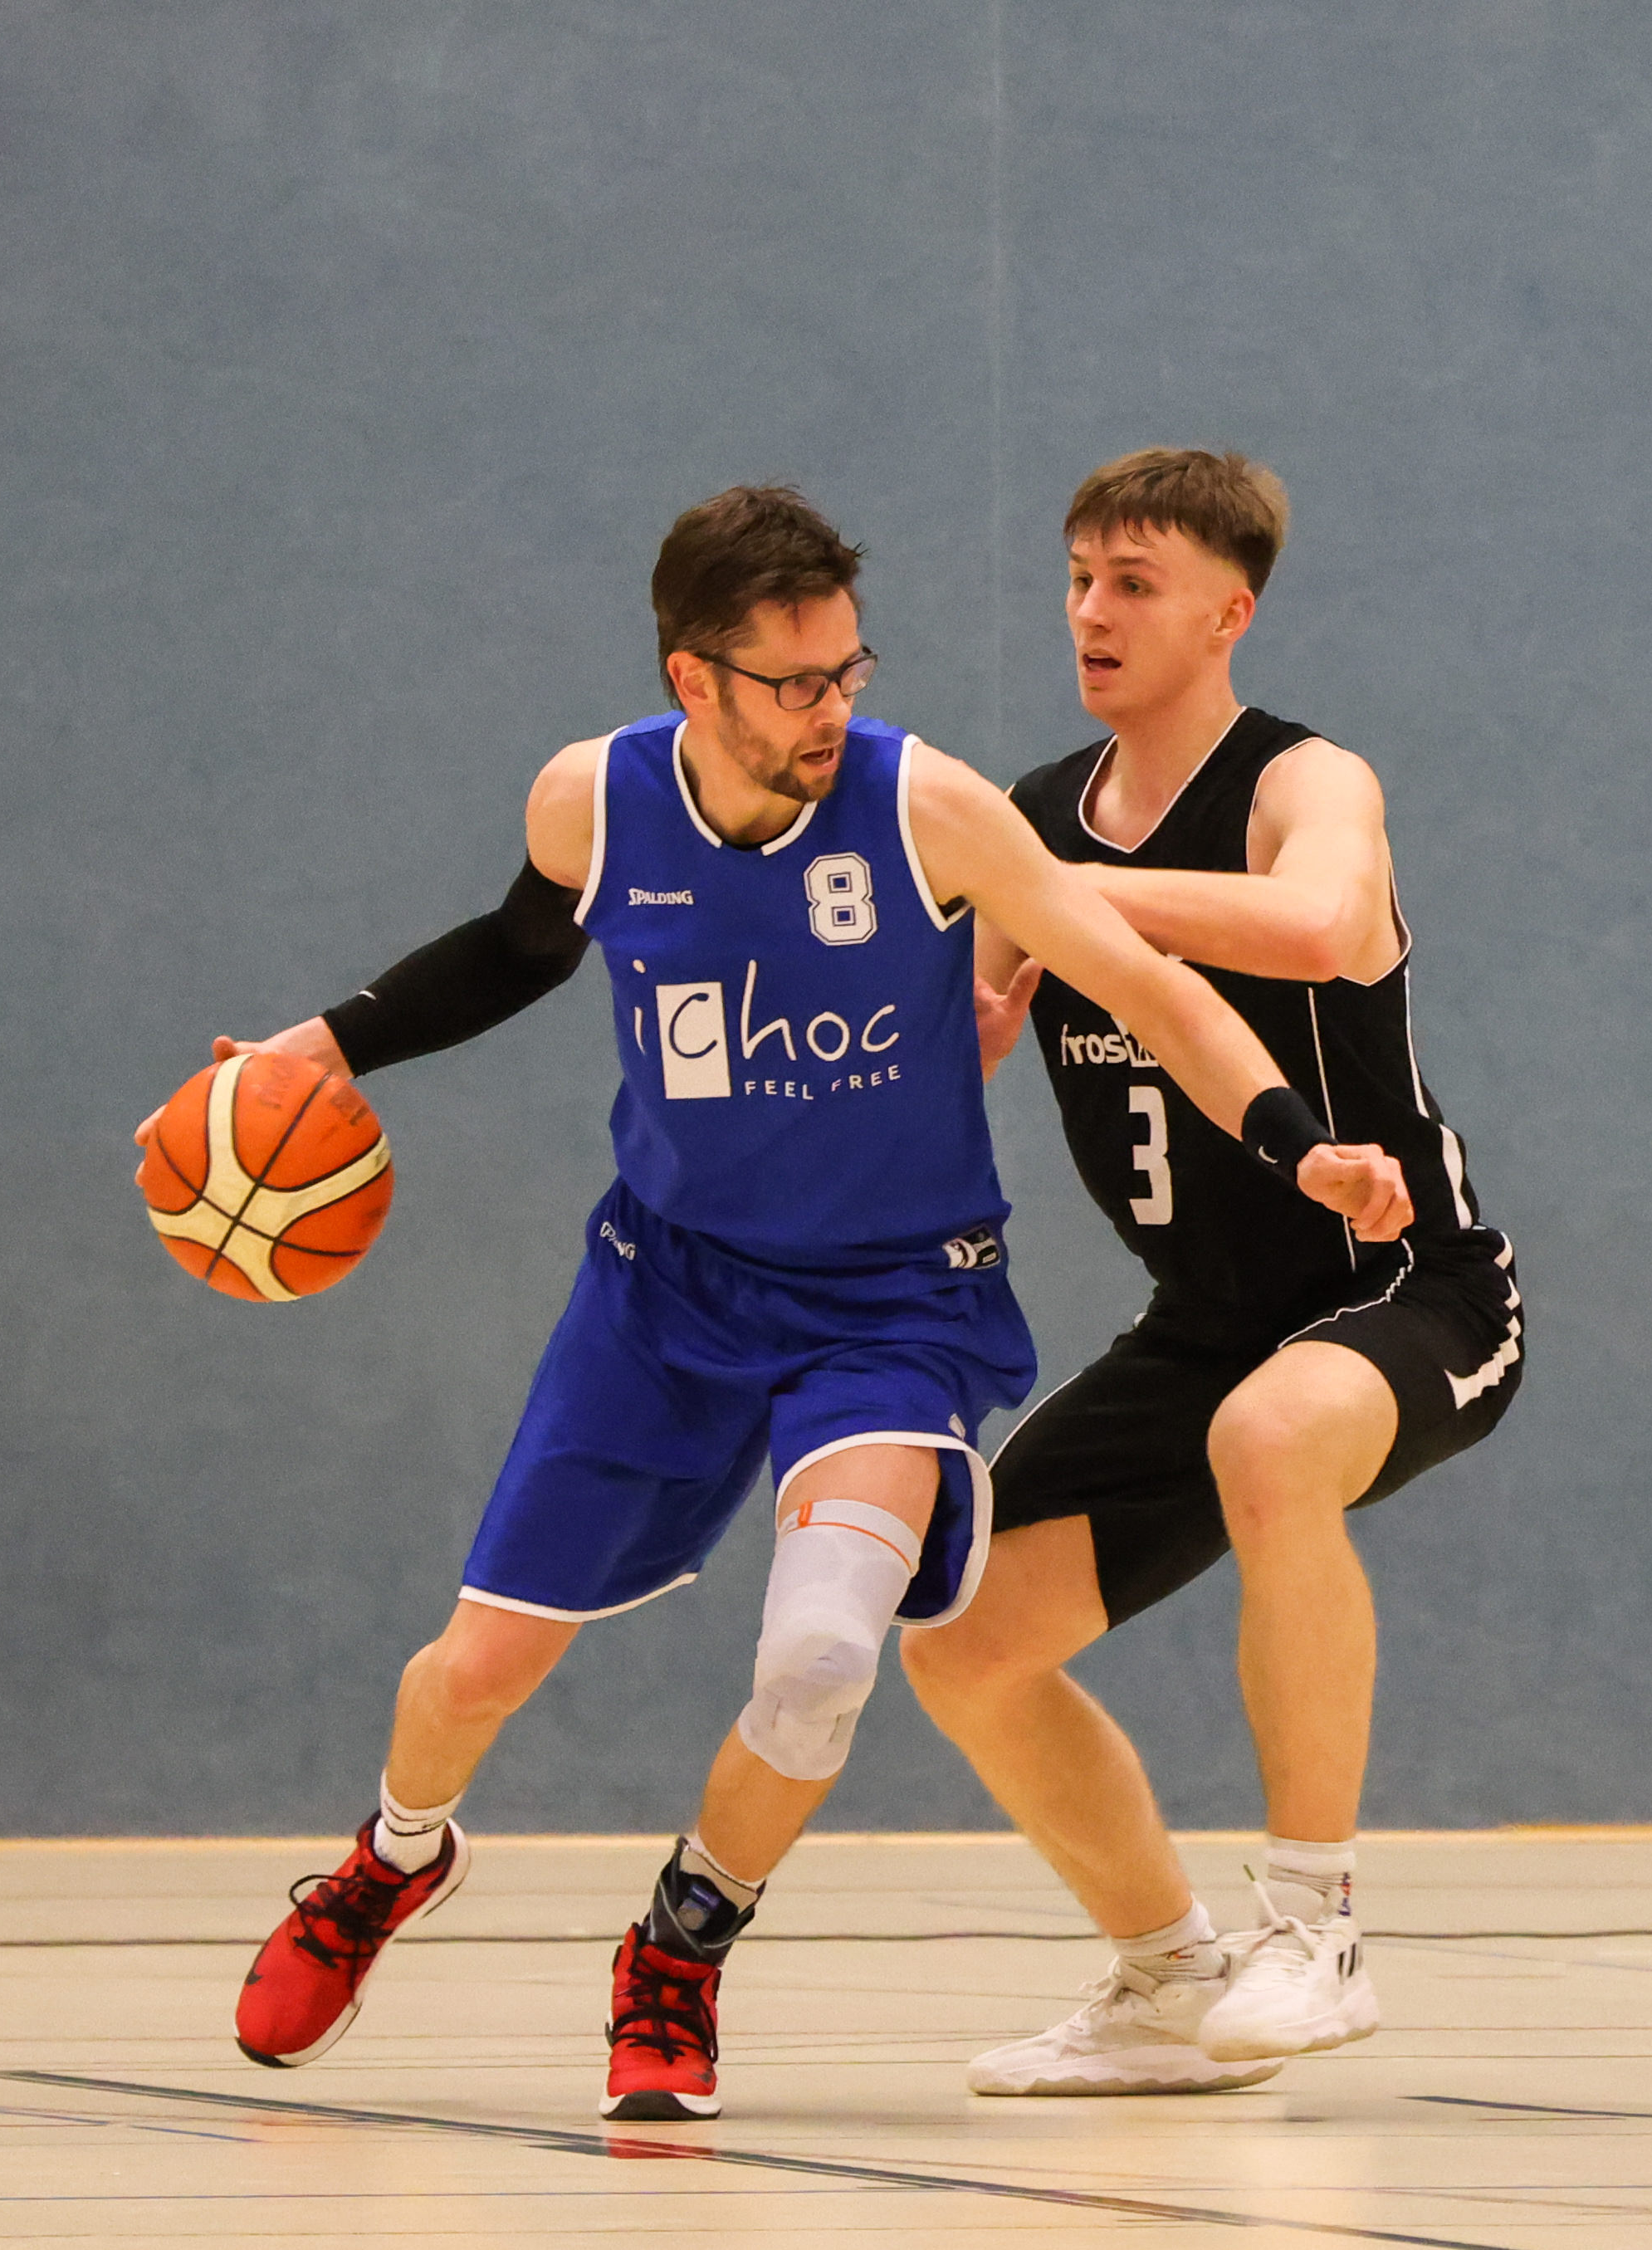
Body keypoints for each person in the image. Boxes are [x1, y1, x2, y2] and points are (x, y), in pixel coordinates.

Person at [198, 486, 1410, 2122]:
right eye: (792, 682)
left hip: (890, 1310)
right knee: (474, 1669)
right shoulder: (594, 799)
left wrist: (1293, 1140)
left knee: (827, 1653)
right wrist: (319, 1046)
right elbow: (511, 949)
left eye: (848, 670)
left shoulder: (928, 807)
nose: (830, 707)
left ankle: (680, 1945)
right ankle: (393, 1855)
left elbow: (1149, 982)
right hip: (663, 1294)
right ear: (693, 679)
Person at [901, 451, 1522, 2098]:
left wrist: (1057, 898)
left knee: (1271, 1436)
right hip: (1204, 1321)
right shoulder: (1036, 815)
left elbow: (1316, 925)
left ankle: (1315, 1927)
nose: (1090, 611)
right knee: (959, 1636)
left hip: (1407, 1285)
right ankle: (1167, 1975)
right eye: (1078, 578)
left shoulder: (1303, 784)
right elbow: (953, 1026)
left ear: (1227, 613)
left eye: (1135, 583)